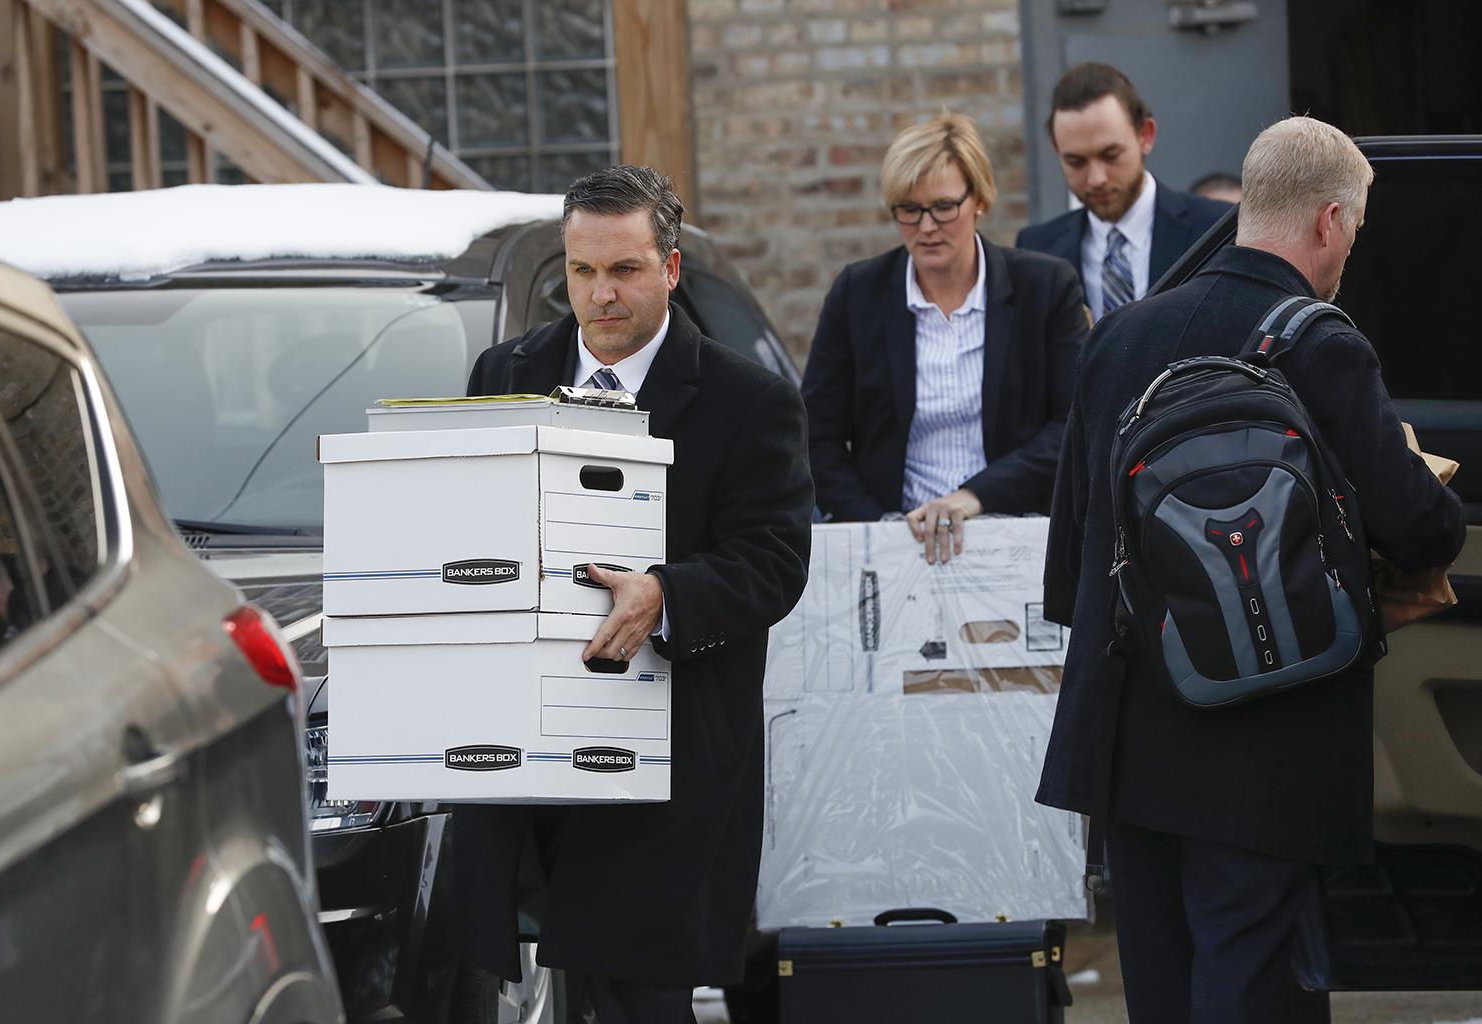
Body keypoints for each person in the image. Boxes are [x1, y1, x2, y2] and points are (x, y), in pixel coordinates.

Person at [1039, 117, 1466, 1023]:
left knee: (1163, 981)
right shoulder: (1320, 343)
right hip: (1267, 731)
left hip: (1130, 734)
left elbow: (1072, 546)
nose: (1350, 244)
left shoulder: (1120, 336)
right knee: (1252, 982)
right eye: (1353, 226)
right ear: (1326, 221)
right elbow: (1423, 532)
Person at [454, 165, 813, 1024]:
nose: (601, 294)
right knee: (539, 987)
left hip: (670, 744)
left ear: (671, 269)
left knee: (640, 995)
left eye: (624, 271)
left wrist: (665, 594)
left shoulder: (748, 400)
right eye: (583, 272)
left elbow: (774, 560)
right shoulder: (505, 372)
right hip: (526, 742)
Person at [802, 111, 1087, 562]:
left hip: (1017, 534)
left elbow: (1074, 421)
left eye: (943, 207)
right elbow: (816, 437)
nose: (927, 227)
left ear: (980, 199)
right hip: (894, 540)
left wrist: (975, 497)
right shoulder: (859, 293)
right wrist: (882, 527)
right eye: (909, 211)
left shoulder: (1045, 287)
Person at [1017, 63, 1233, 319]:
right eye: (1076, 162)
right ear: (1056, 149)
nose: (1096, 178)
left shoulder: (1216, 228)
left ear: (1146, 136)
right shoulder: (1037, 249)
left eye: (1111, 155)